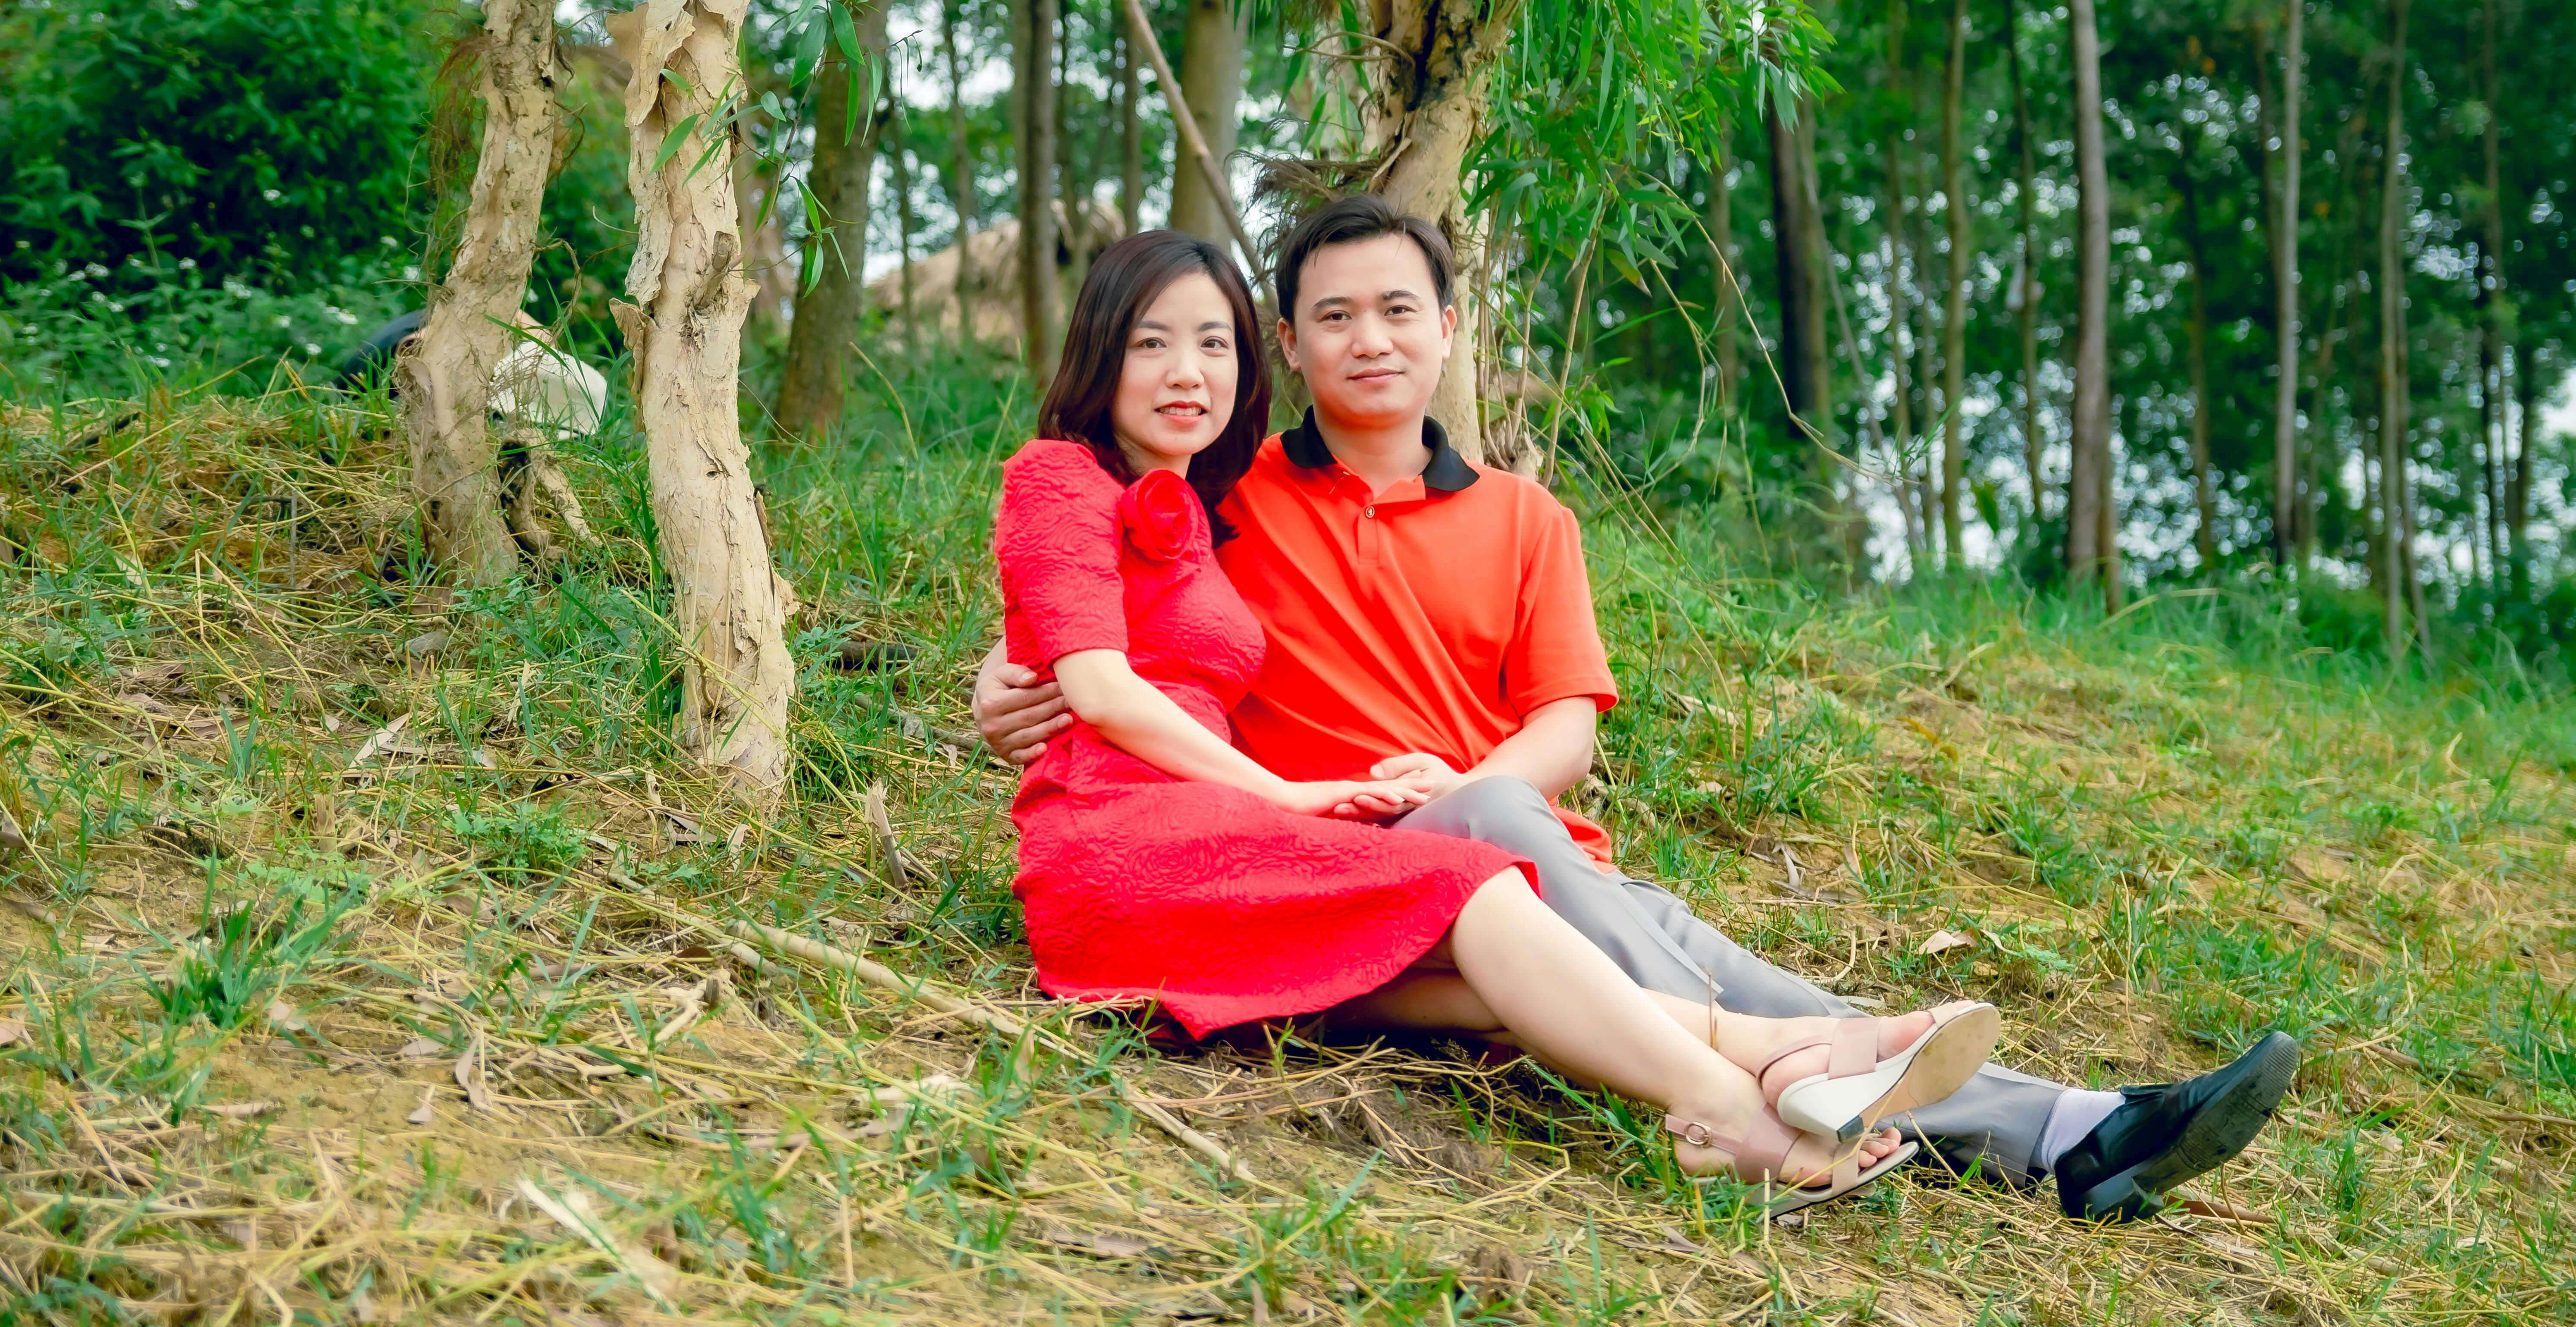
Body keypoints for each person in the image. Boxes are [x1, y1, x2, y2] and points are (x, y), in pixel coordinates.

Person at [980, 196, 2301, 1225]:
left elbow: (1568, 725)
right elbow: (1104, 615)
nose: (1370, 340)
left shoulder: (1527, 517)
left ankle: (2058, 1132)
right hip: (1339, 846)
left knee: (1643, 913)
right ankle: (2011, 1120)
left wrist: (1482, 789)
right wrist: (1012, 680)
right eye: (1334, 317)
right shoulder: (1227, 496)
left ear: (1449, 325)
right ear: (1294, 344)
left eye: (1398, 310)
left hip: (1515, 842)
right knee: (1623, 914)